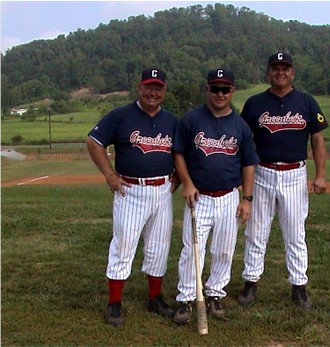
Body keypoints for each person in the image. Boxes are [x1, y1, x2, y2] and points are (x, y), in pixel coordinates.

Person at [86, 68, 179, 327]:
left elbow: (182, 153)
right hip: (130, 190)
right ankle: (114, 303)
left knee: (159, 247)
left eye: (158, 87)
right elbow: (94, 141)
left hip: (162, 191)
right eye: (149, 86)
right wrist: (109, 174)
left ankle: (155, 297)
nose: (153, 92)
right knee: (124, 245)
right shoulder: (121, 115)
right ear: (139, 87)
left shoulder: (172, 121)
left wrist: (180, 178)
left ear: (164, 91)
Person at [237, 52, 329, 310]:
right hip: (262, 172)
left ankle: (299, 286)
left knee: (295, 233)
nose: (280, 72)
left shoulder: (306, 102)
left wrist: (320, 174)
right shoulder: (255, 103)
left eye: (285, 68)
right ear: (268, 72)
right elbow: (243, 143)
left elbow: (318, 140)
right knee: (256, 231)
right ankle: (251, 282)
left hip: (295, 174)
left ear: (292, 73)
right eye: (275, 68)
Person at [172, 68, 260, 324]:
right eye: (215, 88)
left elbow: (248, 164)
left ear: (233, 91)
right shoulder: (191, 119)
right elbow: (178, 153)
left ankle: (214, 293)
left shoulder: (240, 125)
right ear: (206, 89)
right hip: (198, 196)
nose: (220, 94)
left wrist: (247, 198)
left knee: (224, 250)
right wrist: (187, 183)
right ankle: (187, 297)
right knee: (192, 250)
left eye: (225, 89)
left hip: (229, 197)